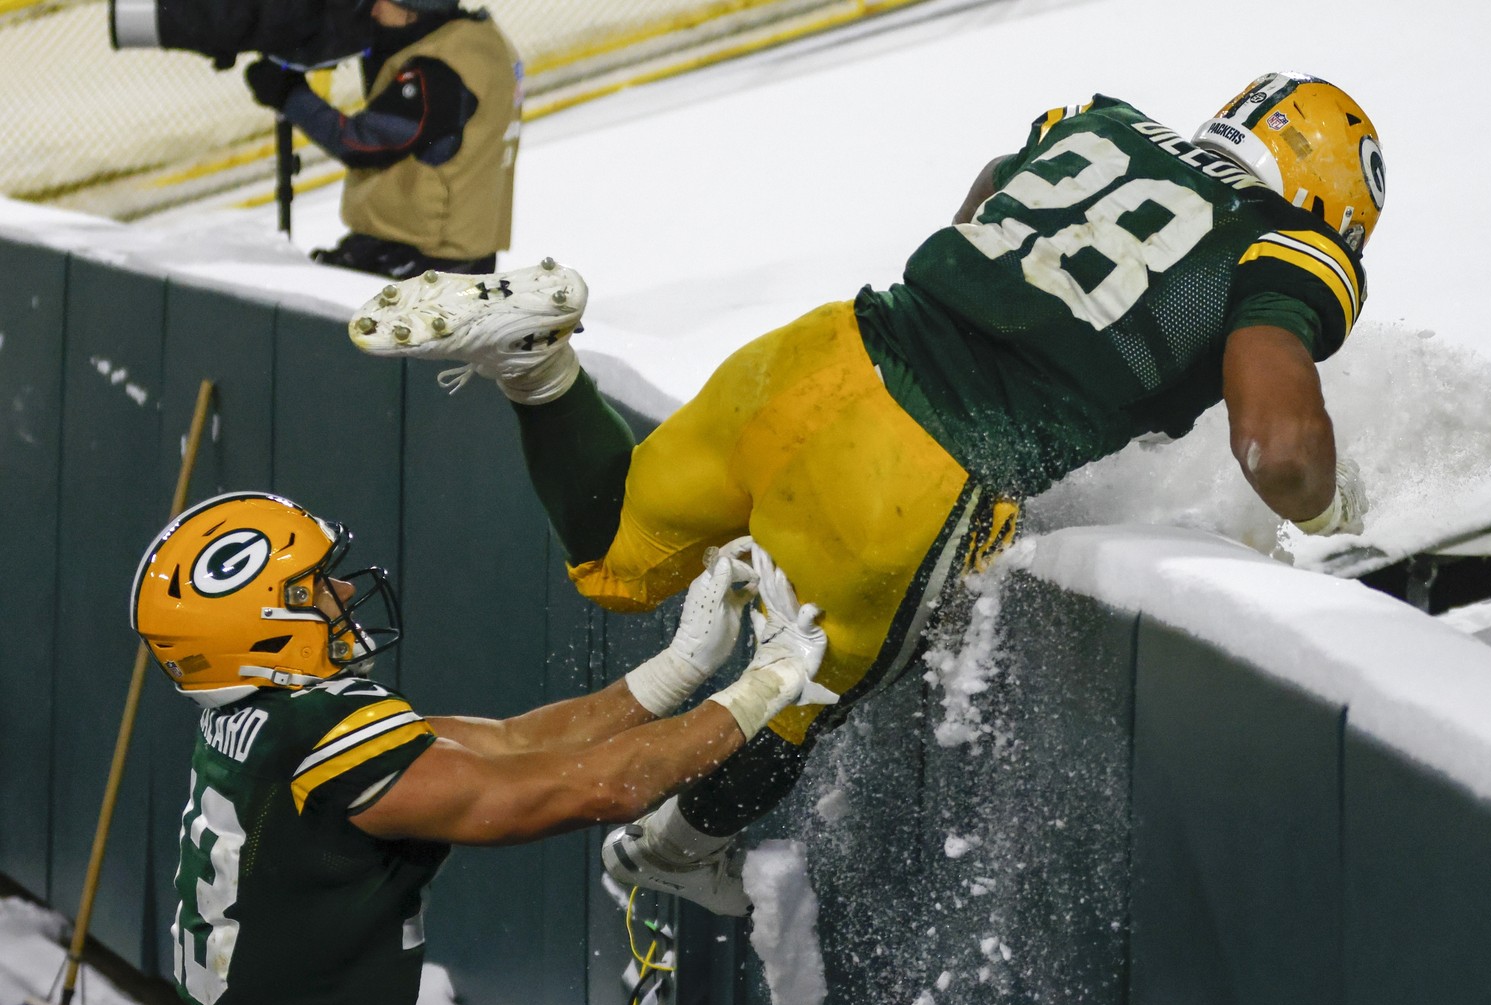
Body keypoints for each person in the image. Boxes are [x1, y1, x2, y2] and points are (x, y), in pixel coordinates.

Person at [346, 71, 1386, 916]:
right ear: (1333, 201)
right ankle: (674, 848)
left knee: (614, 552)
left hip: (823, 352)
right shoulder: (1281, 242)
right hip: (919, 467)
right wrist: (1340, 520)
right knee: (790, 697)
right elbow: (1277, 442)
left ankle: (536, 368)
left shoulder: (1104, 119)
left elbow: (984, 195)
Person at [129, 491, 828, 1005]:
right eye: (312, 587)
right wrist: (766, 686)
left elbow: (513, 744)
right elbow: (596, 790)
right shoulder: (319, 740)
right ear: (261, 630)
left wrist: (683, 663)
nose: (343, 592)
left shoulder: (265, 722)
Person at [243, 0, 521, 279]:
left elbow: (360, 143)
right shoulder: (479, 40)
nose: (372, 10)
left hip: (427, 259)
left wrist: (289, 95)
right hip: (458, 245)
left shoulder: (438, 71)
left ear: (414, 9)